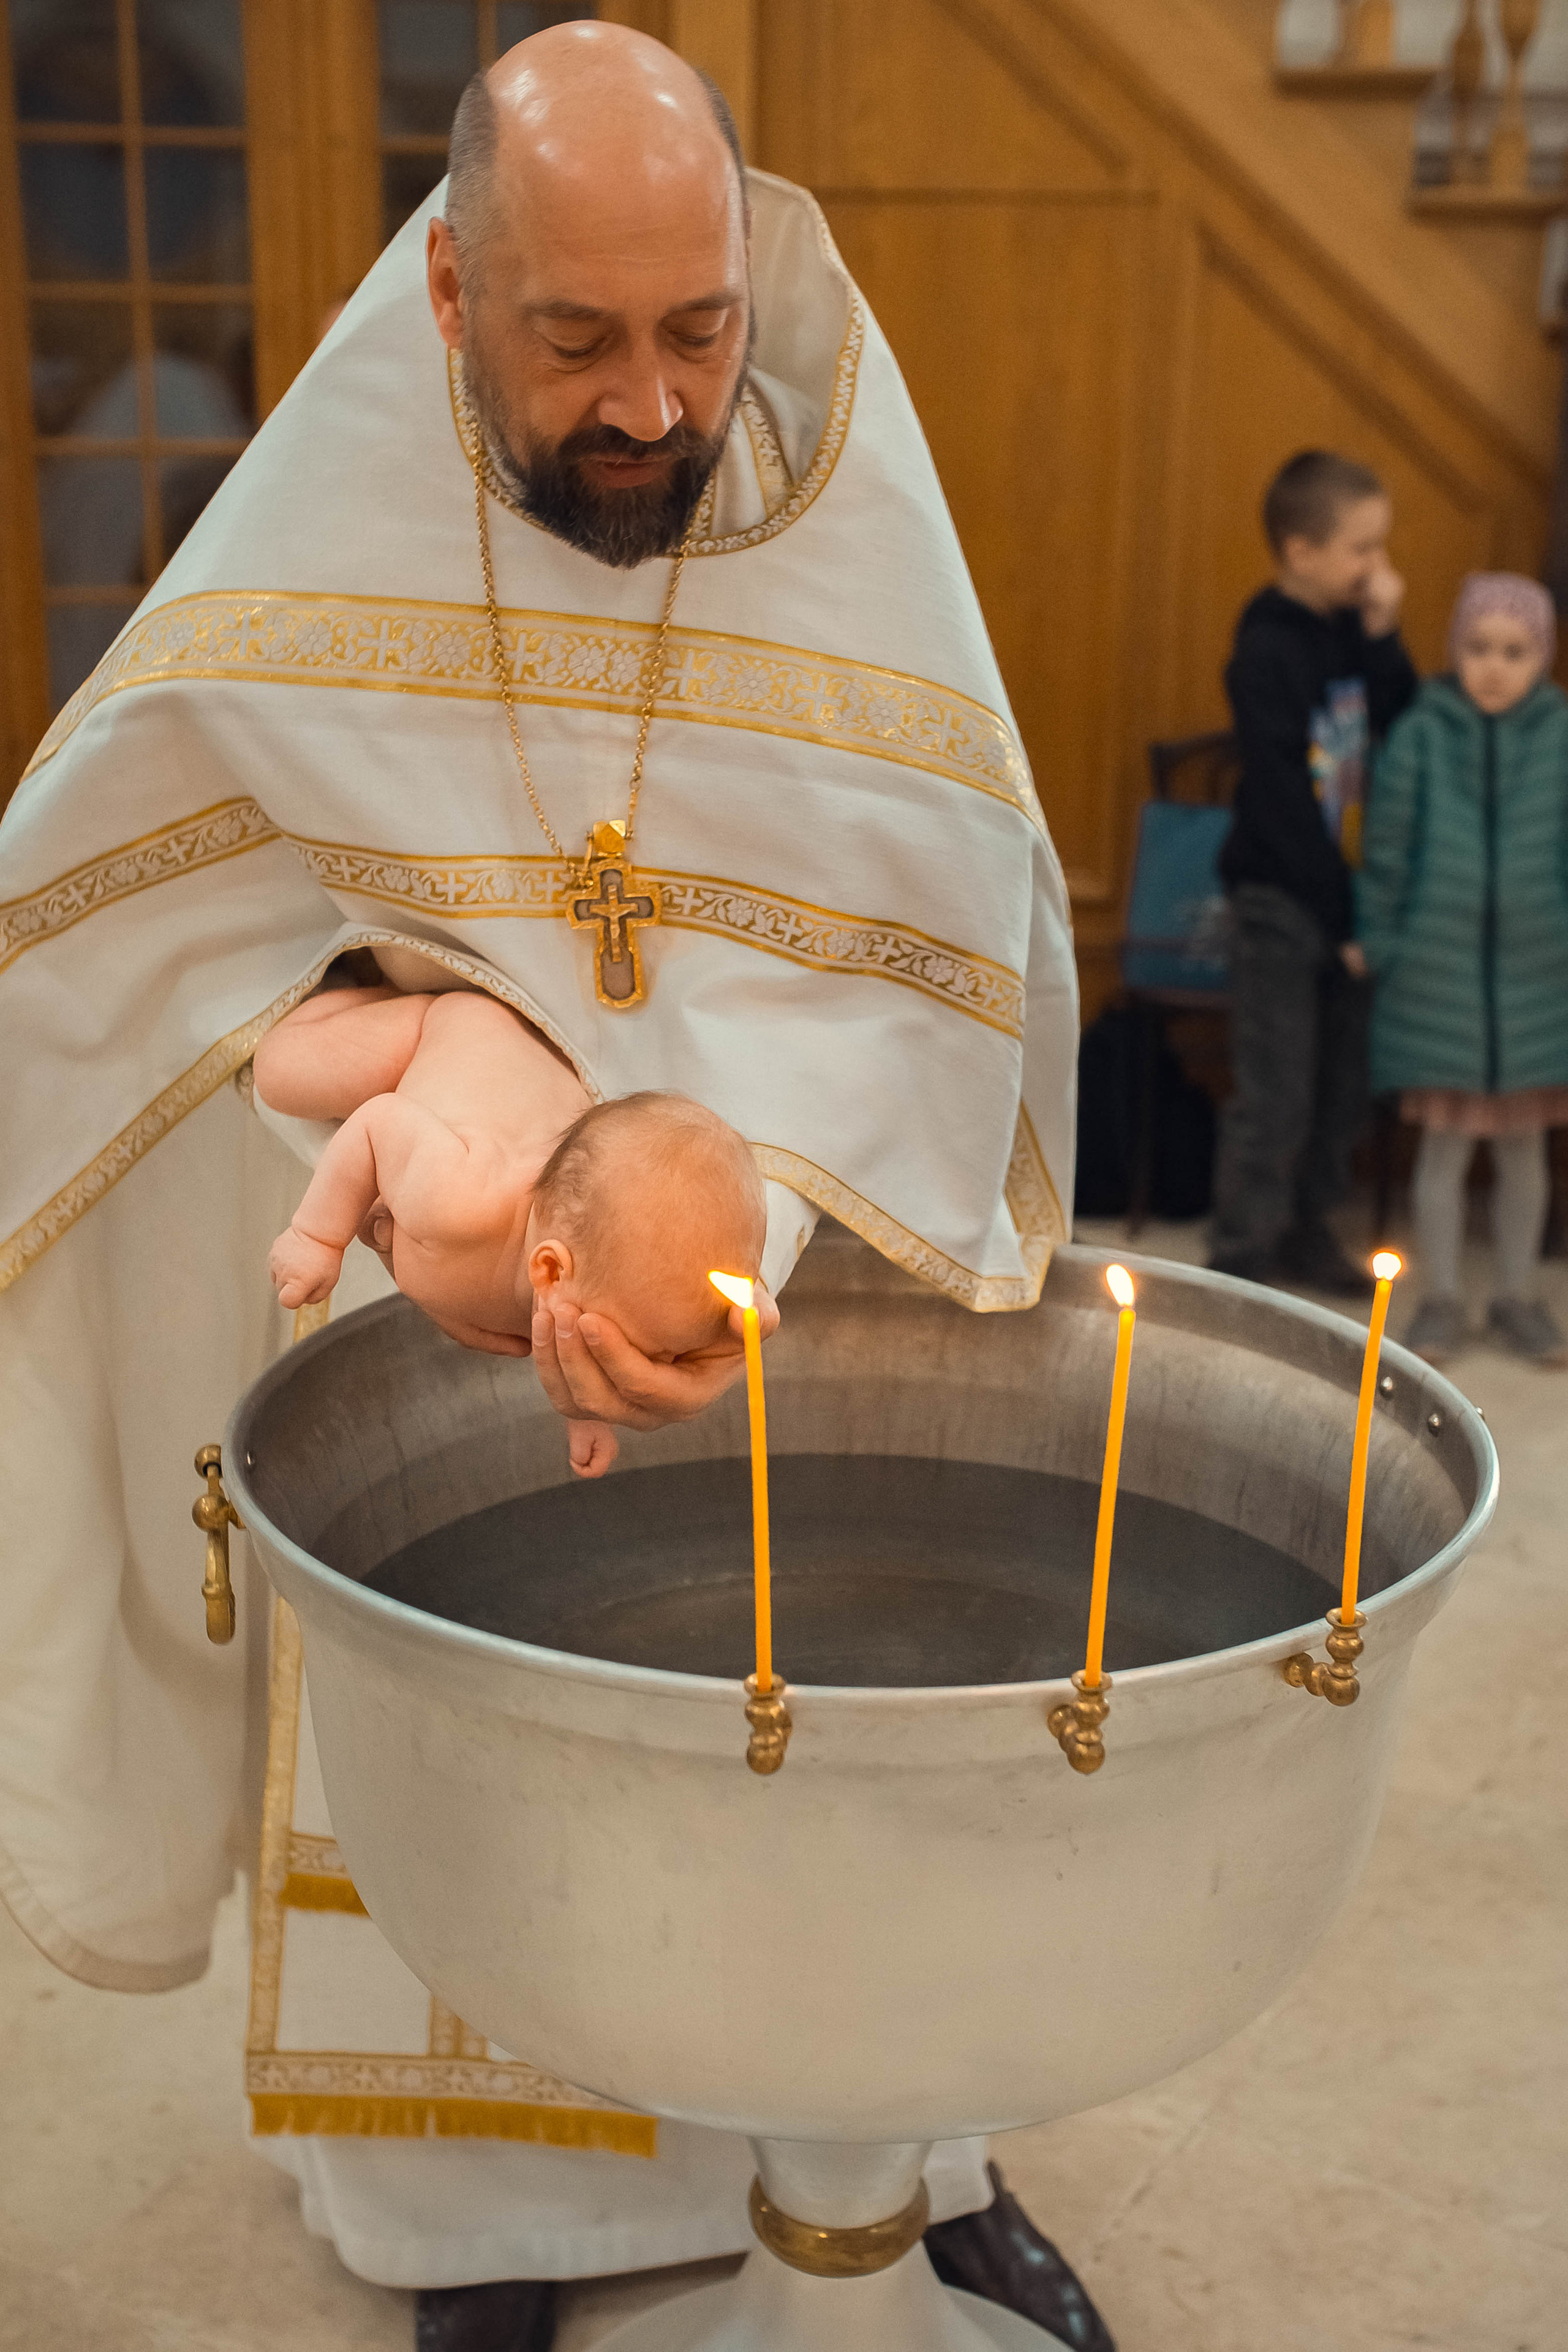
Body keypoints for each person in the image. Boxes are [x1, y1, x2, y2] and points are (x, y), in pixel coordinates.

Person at [0, 23, 1105, 2352]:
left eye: (694, 333)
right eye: (572, 339)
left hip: (772, 1292)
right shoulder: (320, 544)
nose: (646, 409)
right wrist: (414, 1034)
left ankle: (905, 2151)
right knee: (464, 1743)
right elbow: (98, 956)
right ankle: (478, 2237)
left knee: (860, 1713)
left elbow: (949, 976)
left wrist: (715, 1193)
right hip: (432, 1294)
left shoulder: (839, 539)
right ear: (445, 295)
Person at [257, 985, 771, 1477]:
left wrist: (586, 1411)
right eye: (653, 1351)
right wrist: (318, 1237)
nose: (650, 1367)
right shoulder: (459, 1204)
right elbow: (376, 1124)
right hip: (454, 1033)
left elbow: (574, 1339)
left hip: (534, 1073)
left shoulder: (578, 1274)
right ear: (549, 1268)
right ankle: (382, 993)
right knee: (278, 1072)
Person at [1210, 449, 1419, 1294]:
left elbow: (1400, 725)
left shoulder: (1350, 632)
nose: (1379, 569)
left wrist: (1384, 637)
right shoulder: (1264, 648)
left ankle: (1306, 1233)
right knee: (1278, 1090)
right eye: (1362, 549)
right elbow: (1283, 799)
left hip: (1351, 899)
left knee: (1341, 1088)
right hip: (1283, 902)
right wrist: (1341, 920)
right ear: (1303, 552)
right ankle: (1243, 1254)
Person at [1357, 571, 1568, 1366]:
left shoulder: (1560, 738)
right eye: (1478, 648)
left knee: (1525, 1155)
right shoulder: (1421, 735)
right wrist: (1382, 941)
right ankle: (1441, 1297)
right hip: (1434, 978)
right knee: (1442, 1152)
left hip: (1540, 984)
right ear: (1455, 651)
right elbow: (1386, 850)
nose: (1494, 667)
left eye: (1515, 652)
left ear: (1542, 657)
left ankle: (1518, 1295)